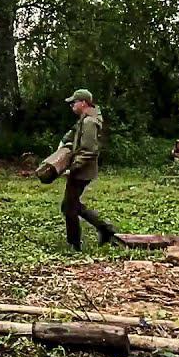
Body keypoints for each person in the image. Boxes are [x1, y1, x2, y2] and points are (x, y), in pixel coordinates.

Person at [59, 88, 117, 251]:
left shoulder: (89, 122)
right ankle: (105, 230)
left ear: (83, 103)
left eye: (74, 102)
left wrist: (73, 168)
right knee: (71, 205)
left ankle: (76, 244)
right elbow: (74, 132)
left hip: (82, 170)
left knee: (69, 207)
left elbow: (90, 151)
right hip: (82, 169)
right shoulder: (85, 119)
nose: (71, 105)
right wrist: (64, 141)